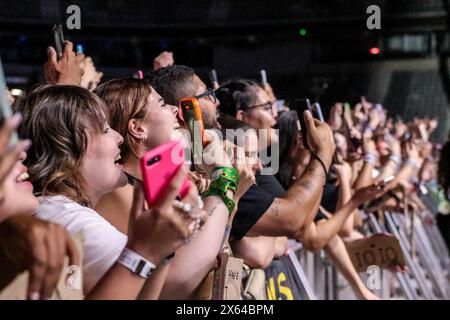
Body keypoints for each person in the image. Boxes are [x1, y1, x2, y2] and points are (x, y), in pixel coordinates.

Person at [12, 84, 207, 299]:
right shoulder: (72, 220)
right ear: (65, 148)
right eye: (105, 130)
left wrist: (159, 252)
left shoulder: (58, 209)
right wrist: (226, 183)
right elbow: (174, 287)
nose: (119, 137)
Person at [93, 78, 253, 299]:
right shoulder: (118, 192)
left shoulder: (169, 184)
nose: (174, 110)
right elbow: (177, 278)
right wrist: (224, 176)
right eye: (161, 104)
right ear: (138, 128)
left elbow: (214, 249)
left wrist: (228, 197)